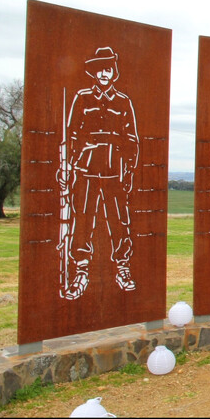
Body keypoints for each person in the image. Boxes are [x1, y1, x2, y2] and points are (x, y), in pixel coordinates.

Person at [57, 47, 139, 300]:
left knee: (119, 222)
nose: (104, 74)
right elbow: (71, 135)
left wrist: (129, 172)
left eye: (109, 69)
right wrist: (68, 165)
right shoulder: (82, 98)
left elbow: (131, 139)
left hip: (114, 171)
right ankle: (81, 270)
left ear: (114, 72)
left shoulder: (123, 101)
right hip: (86, 170)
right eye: (100, 69)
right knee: (82, 220)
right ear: (93, 72)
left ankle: (122, 267)